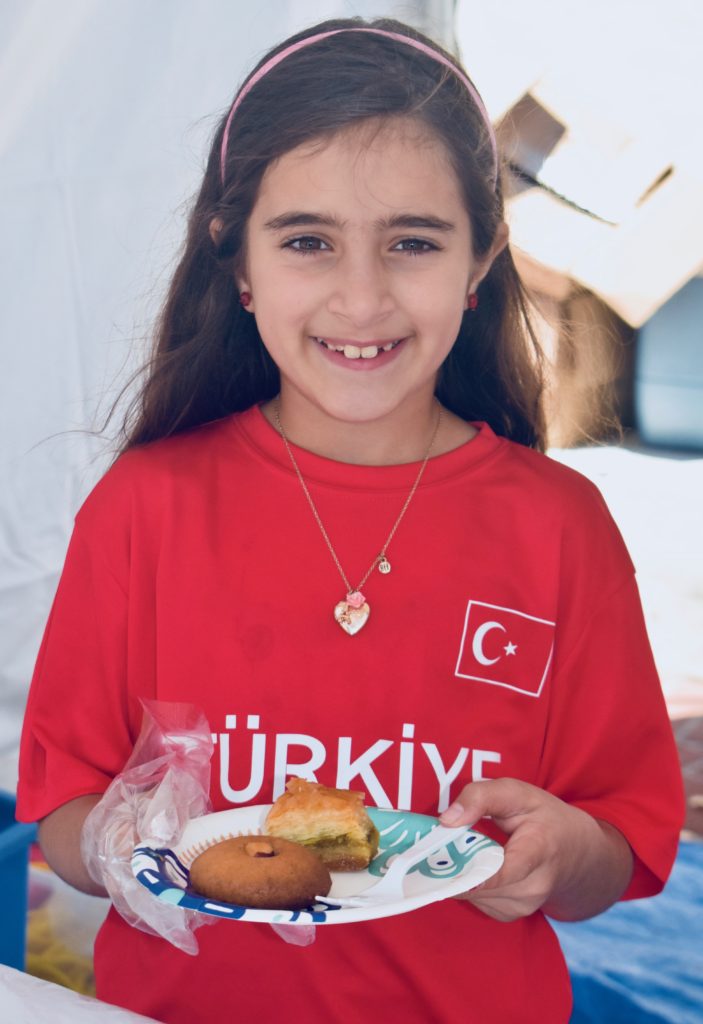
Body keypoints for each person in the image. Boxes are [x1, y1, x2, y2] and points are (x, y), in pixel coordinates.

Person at [16, 16, 684, 1024]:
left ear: (479, 261)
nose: (361, 297)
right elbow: (60, 816)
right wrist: (118, 846)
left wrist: (559, 854)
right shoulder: (146, 507)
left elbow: (619, 846)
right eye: (307, 242)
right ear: (237, 260)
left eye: (412, 242)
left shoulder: (560, 528)